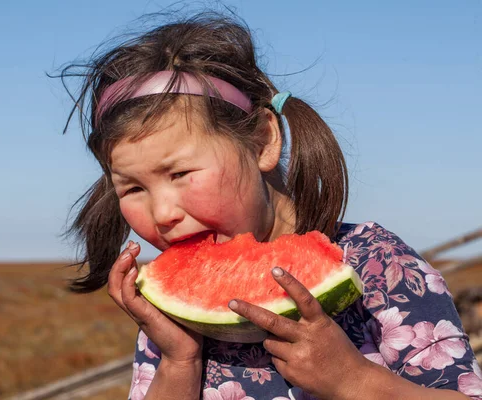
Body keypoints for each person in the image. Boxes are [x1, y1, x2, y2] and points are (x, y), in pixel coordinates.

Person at [59, 11, 482, 400]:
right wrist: (178, 361)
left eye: (180, 174)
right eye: (132, 189)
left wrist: (356, 381)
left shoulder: (378, 264)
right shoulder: (168, 312)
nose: (163, 211)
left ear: (263, 140)